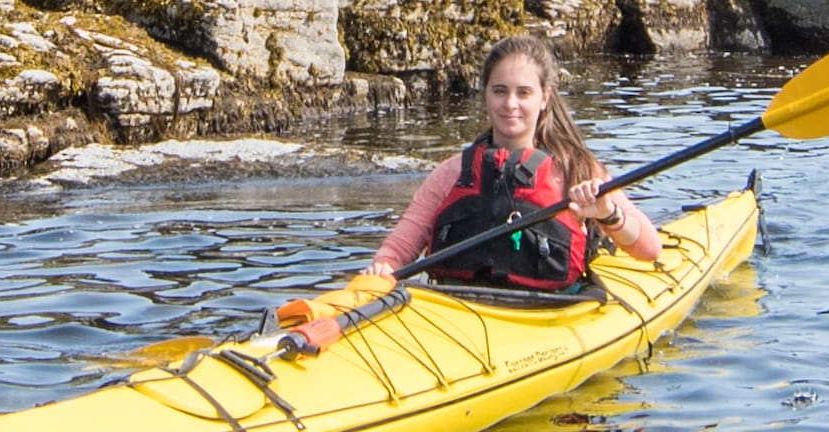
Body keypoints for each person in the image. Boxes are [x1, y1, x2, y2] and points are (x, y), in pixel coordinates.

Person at [280, 33, 662, 348]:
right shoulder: (451, 173)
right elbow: (398, 250)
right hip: (454, 315)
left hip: (548, 316)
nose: (510, 104)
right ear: (485, 95)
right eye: (499, 91)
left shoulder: (578, 170)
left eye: (523, 93)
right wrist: (382, 271)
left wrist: (607, 214)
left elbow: (649, 249)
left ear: (544, 98)